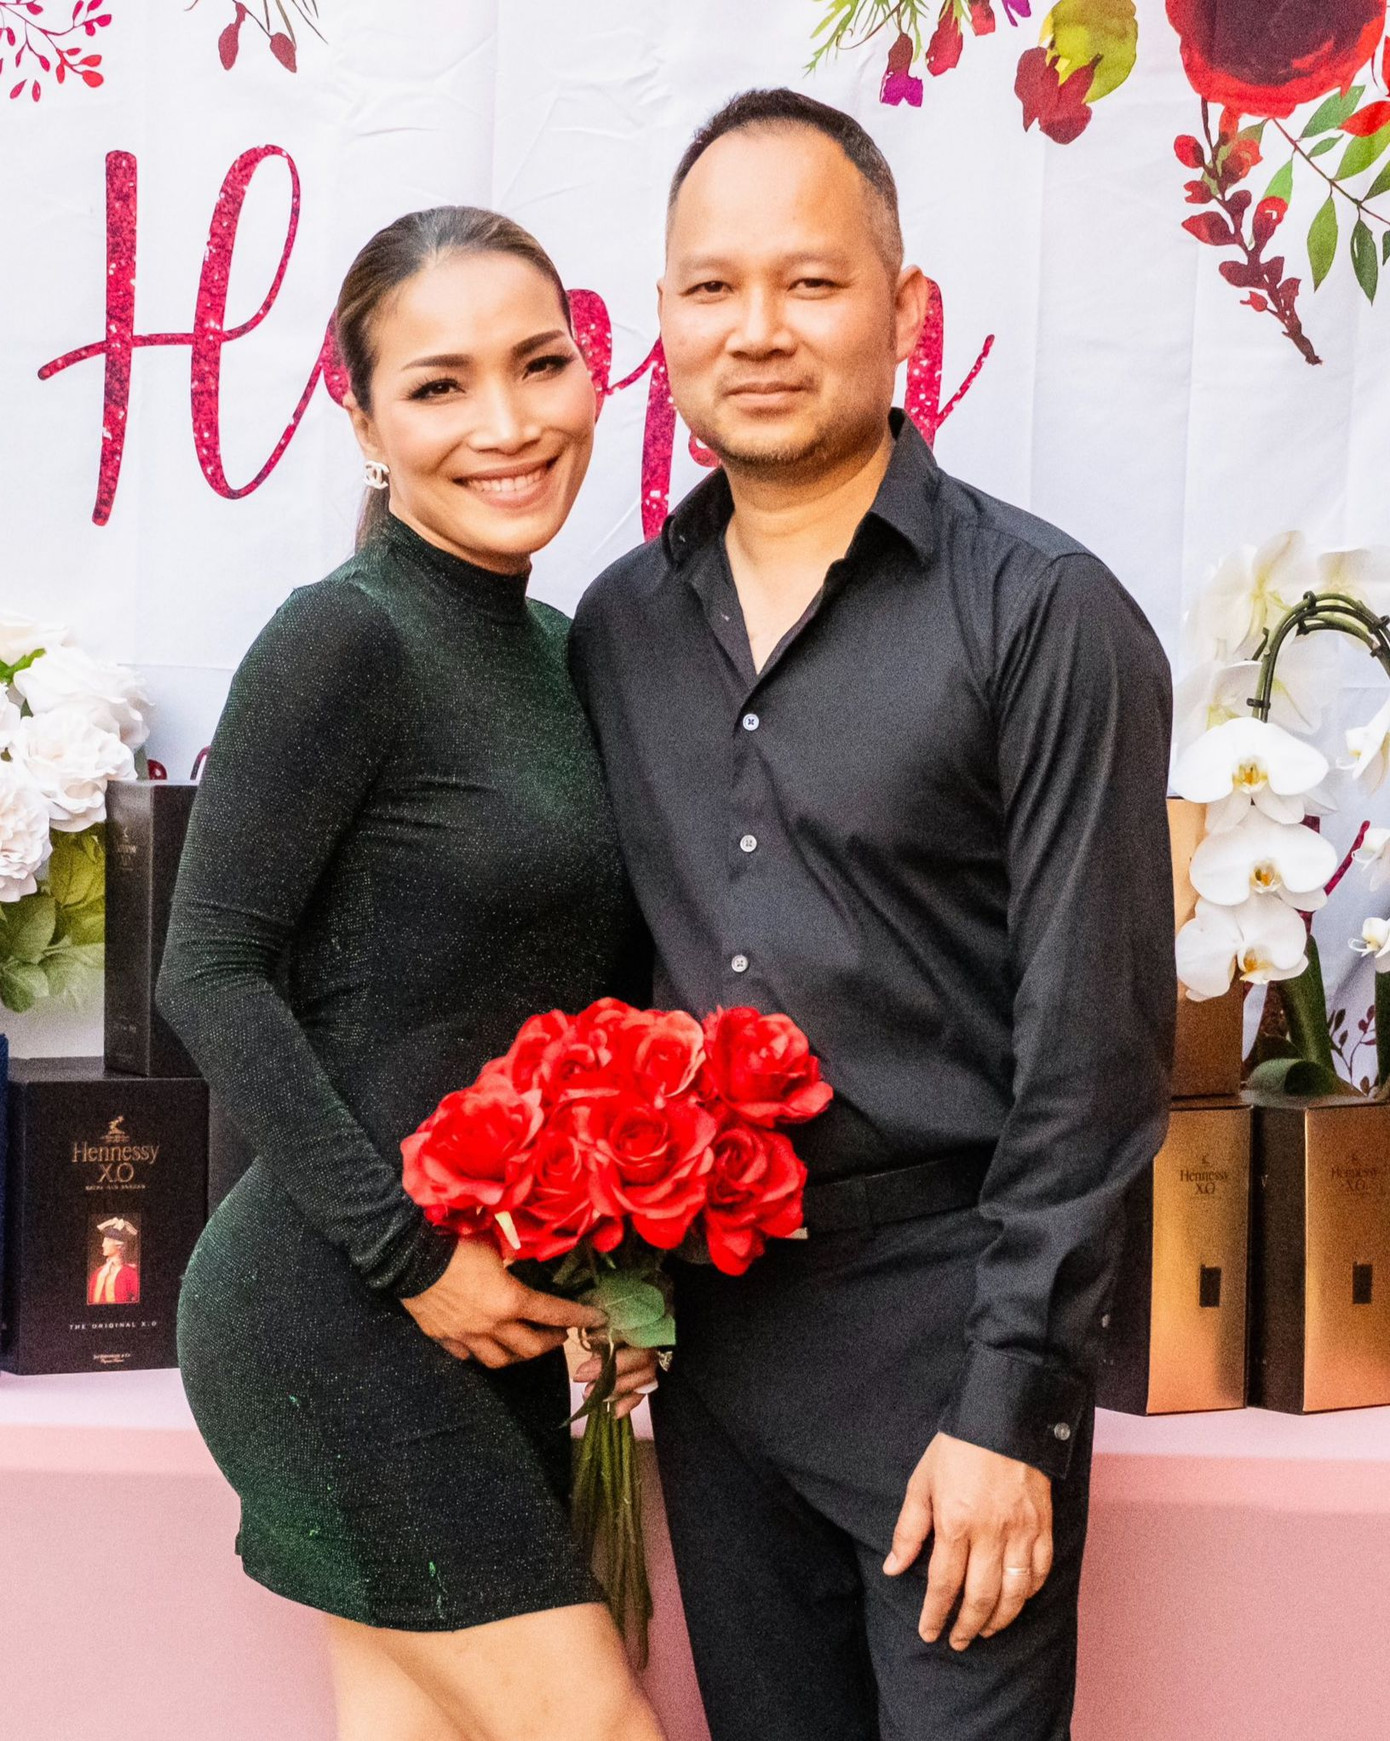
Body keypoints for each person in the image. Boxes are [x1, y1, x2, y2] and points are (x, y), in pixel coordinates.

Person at [569, 90, 1175, 1741]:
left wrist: (1012, 1405)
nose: (757, 329)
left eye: (810, 282)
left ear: (908, 311)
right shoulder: (618, 627)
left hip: (949, 1331)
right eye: (712, 287)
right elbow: (614, 980)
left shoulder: (1044, 615)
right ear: (662, 322)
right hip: (717, 1347)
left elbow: (1094, 1052)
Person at [158, 206, 666, 1741]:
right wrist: (411, 1260)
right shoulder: (346, 639)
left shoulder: (568, 650)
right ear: (364, 421)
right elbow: (209, 968)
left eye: (540, 364)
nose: (505, 423)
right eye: (439, 385)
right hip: (336, 1308)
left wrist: (620, 1267)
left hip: (487, 1316)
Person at [88, 1218, 140, 1305]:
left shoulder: (130, 1274)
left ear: (119, 1245)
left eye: (107, 1241)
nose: (103, 1245)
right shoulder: (97, 1273)